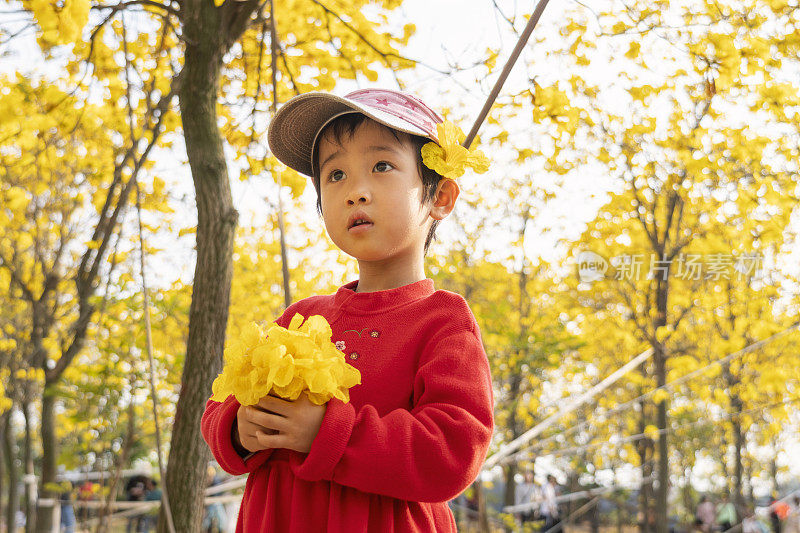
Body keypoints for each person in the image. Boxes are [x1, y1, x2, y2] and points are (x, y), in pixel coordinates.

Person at [201, 89, 495, 532]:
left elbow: (452, 453)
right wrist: (240, 428)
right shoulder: (301, 318)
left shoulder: (442, 321)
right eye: (335, 174)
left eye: (382, 166)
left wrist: (327, 433)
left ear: (440, 197)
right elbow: (220, 406)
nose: (356, 191)